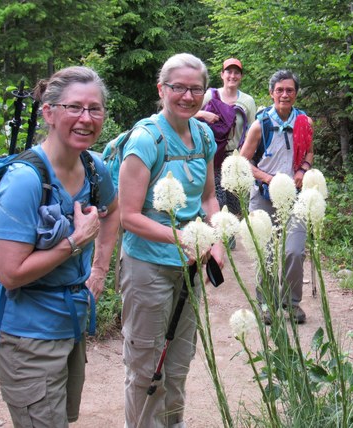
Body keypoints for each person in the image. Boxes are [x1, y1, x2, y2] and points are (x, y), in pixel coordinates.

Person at [0, 66, 120, 427]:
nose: (86, 118)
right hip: (25, 334)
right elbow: (10, 274)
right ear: (49, 112)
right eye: (74, 107)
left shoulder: (94, 168)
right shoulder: (25, 181)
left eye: (95, 109)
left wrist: (100, 269)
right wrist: (75, 242)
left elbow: (112, 210)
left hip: (70, 324)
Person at [119, 53, 225, 427]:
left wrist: (216, 241)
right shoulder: (145, 140)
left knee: (178, 363)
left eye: (196, 89)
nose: (187, 96)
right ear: (161, 89)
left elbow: (209, 197)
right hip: (148, 267)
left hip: (190, 267)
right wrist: (181, 238)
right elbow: (128, 215)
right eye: (178, 87)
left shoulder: (204, 136)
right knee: (147, 366)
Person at [239, 69, 313, 325]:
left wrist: (303, 170)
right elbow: (243, 161)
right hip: (263, 195)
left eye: (289, 90)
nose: (284, 94)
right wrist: (268, 178)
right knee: (266, 253)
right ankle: (267, 303)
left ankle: (291, 302)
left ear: (296, 94)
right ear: (271, 93)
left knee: (294, 251)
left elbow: (309, 153)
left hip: (295, 196)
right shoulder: (260, 126)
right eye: (279, 90)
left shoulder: (305, 122)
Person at [195, 58, 256, 215]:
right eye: (229, 72)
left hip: (236, 158)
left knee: (237, 207)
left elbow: (252, 132)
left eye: (237, 73)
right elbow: (189, 114)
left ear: (241, 76)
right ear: (222, 74)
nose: (232, 76)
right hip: (212, 159)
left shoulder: (247, 101)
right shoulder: (210, 95)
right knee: (215, 205)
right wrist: (204, 114)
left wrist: (244, 159)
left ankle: (234, 232)